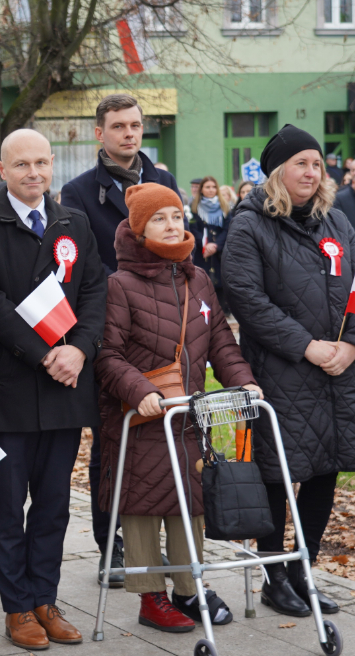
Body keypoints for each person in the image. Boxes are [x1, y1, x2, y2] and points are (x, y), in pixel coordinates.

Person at [0, 129, 107, 650]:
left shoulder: (75, 223)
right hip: (8, 390)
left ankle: (46, 597)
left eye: (42, 162)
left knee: (53, 504)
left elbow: (94, 292)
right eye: (22, 165)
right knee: (7, 504)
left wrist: (80, 350)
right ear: (2, 169)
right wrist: (45, 353)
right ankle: (16, 606)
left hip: (66, 387)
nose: (34, 173)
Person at [221, 125, 355, 617]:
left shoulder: (333, 221)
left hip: (338, 371)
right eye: (300, 164)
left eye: (316, 164)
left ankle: (303, 569)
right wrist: (307, 346)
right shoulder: (249, 225)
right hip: (282, 372)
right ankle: (273, 575)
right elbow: (246, 298)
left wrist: (353, 346)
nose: (311, 172)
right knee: (276, 472)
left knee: (325, 468)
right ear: (277, 172)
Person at [95, 183, 260, 631]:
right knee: (145, 505)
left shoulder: (197, 279)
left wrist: (244, 382)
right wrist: (136, 390)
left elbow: (221, 343)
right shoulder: (120, 285)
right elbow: (107, 355)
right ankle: (151, 598)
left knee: (190, 503)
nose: (172, 226)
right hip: (143, 415)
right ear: (138, 228)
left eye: (176, 216)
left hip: (189, 415)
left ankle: (190, 590)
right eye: (159, 219)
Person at [58, 93, 182, 585]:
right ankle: (111, 546)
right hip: (113, 325)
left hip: (166, 328)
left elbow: (176, 244)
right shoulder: (80, 191)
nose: (129, 134)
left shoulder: (164, 181)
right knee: (113, 441)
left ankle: (167, 545)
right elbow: (83, 264)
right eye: (118, 126)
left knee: (167, 438)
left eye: (135, 125)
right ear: (100, 133)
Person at [187, 176, 228, 307]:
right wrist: (204, 246)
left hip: (219, 252)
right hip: (201, 252)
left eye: (214, 187)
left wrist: (216, 245)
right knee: (201, 283)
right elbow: (193, 229)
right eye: (208, 187)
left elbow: (228, 229)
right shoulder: (194, 207)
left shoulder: (224, 207)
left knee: (220, 283)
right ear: (202, 189)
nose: (211, 190)